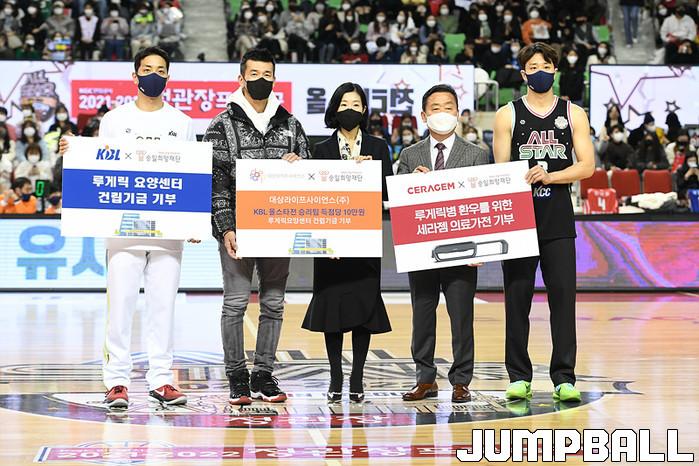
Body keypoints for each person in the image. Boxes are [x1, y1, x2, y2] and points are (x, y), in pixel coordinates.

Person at [58, 47, 196, 409]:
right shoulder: (115, 120)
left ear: (168, 77)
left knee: (163, 308)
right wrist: (74, 149)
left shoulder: (182, 122)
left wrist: (194, 220)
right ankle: (116, 381)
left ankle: (161, 380)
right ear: (135, 76)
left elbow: (191, 173)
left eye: (161, 70)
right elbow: (99, 164)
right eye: (147, 69)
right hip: (123, 230)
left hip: (168, 232)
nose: (154, 75)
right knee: (119, 308)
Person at [203, 48, 310, 406]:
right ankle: (236, 376)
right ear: (241, 78)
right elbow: (215, 182)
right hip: (239, 230)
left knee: (274, 304)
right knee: (235, 303)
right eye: (254, 74)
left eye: (267, 75)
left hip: (279, 230)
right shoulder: (220, 125)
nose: (261, 80)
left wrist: (299, 164)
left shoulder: (291, 124)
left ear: (275, 79)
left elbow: (311, 171)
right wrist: (226, 227)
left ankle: (263, 373)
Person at [493, 42, 595, 402]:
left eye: (546, 66)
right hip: (519, 221)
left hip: (558, 219)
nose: (540, 72)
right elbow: (500, 171)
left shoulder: (573, 113)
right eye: (533, 67)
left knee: (563, 301)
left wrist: (551, 176)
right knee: (516, 301)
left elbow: (587, 165)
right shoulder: (507, 114)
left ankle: (564, 377)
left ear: (555, 71)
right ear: (524, 74)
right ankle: (519, 377)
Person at [398, 84, 489, 404]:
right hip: (422, 249)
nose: (442, 113)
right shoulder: (409, 155)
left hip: (462, 250)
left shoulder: (477, 154)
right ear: (424, 116)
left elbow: (485, 204)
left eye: (448, 107)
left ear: (458, 113)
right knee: (422, 316)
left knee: (461, 317)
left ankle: (461, 380)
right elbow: (398, 200)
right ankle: (425, 378)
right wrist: (411, 183)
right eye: (435, 108)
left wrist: (481, 246)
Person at [302, 83, 392, 403]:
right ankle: (335, 376)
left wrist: (369, 175)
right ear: (334, 110)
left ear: (364, 110)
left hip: (365, 242)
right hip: (330, 246)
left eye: (355, 104)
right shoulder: (321, 149)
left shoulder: (379, 147)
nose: (349, 109)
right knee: (333, 310)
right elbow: (313, 198)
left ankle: (357, 377)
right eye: (343, 104)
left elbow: (387, 194)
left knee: (363, 309)